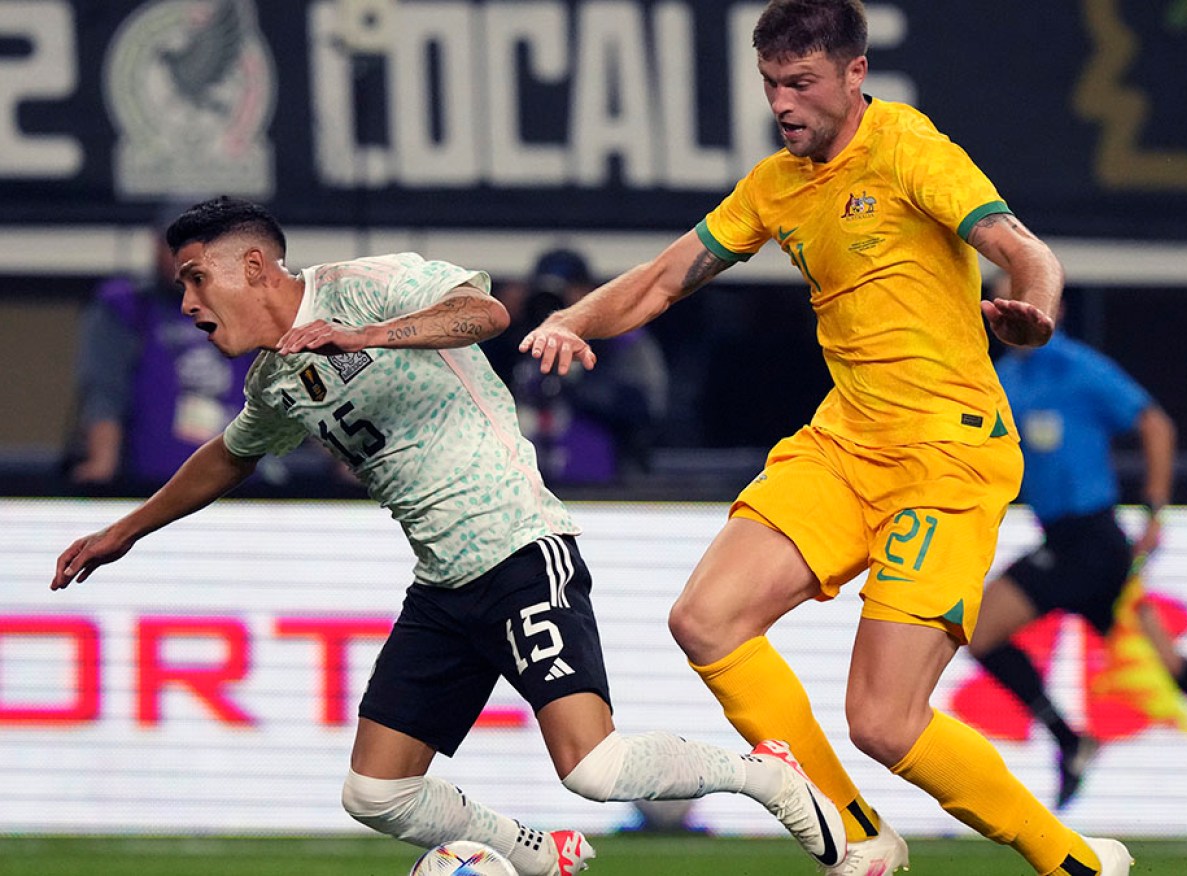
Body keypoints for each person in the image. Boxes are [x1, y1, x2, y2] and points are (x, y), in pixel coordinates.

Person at [50, 196, 851, 876]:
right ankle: (535, 853)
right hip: (443, 586)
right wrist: (123, 531)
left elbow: (487, 313)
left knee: (596, 768)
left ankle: (761, 775)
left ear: (255, 267)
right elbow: (229, 455)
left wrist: (360, 337)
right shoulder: (275, 379)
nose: (188, 302)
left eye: (197, 278)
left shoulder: (365, 288)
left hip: (520, 550)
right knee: (374, 795)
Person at [521, 2, 1131, 873]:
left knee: (883, 722)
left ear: (854, 75)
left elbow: (1022, 249)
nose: (782, 102)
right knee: (706, 620)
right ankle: (853, 832)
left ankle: (1069, 859)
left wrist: (1033, 309)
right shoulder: (776, 183)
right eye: (771, 83)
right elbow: (664, 278)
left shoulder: (910, 150)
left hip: (946, 456)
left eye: (800, 82)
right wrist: (575, 318)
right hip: (846, 441)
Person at [969, 282, 1187, 835]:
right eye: (1001, 304)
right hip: (1067, 543)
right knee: (1167, 664)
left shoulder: (1078, 368)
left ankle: (1071, 742)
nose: (1010, 313)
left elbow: (1155, 424)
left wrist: (1156, 513)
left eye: (1021, 300)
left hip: (1092, 542)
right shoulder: (1003, 380)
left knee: (978, 628)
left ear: (1051, 310)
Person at [63, 212, 256, 493]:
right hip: (148, 488)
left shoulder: (252, 308)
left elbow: (301, 388)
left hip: (244, 491)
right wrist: (103, 463)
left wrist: (342, 458)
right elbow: (105, 392)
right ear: (155, 245)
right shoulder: (128, 308)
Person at [508, 249, 669, 486]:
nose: (558, 303)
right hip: (527, 482)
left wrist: (576, 383)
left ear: (588, 291)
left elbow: (646, 409)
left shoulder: (621, 338)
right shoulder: (519, 336)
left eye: (568, 289)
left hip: (604, 483)